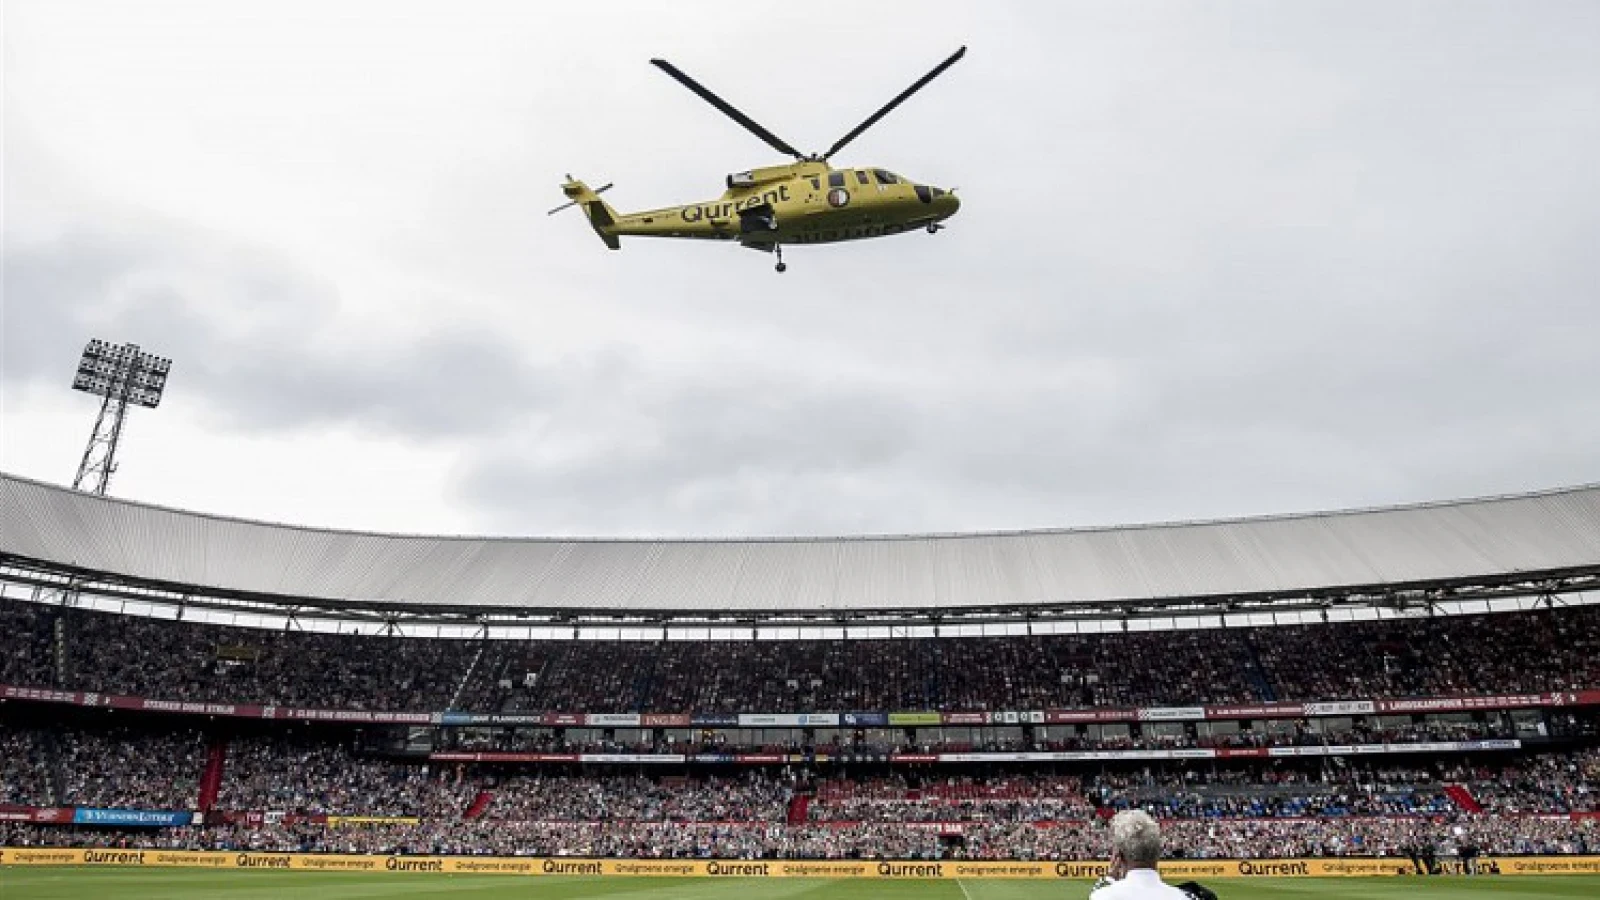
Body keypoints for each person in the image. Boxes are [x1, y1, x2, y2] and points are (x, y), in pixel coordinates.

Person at [1089, 811, 1204, 900]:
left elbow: (1097, 893)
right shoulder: (1183, 897)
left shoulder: (1103, 896)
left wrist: (1109, 878)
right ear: (1157, 854)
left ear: (1119, 858)